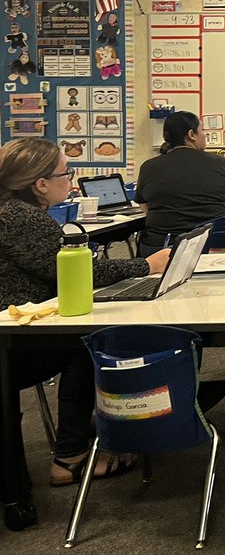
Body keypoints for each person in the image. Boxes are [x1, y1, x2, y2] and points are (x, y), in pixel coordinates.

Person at [0, 139, 170, 504]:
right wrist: (147, 265)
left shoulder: (12, 212)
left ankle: (87, 432)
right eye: (66, 173)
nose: (72, 181)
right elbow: (77, 272)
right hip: (13, 344)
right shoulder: (20, 218)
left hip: (16, 331)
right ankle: (72, 455)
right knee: (91, 342)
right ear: (39, 184)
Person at [133, 111, 225, 257]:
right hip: (217, 242)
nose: (204, 135)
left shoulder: (150, 167)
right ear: (191, 135)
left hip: (166, 246)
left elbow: (145, 206)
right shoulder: (218, 162)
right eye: (202, 130)